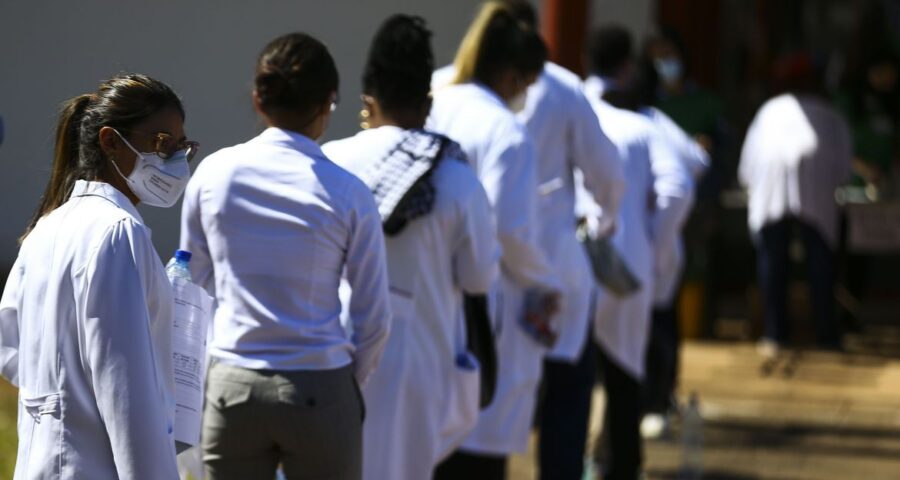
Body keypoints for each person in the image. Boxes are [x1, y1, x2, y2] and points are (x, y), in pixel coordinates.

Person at [180, 33, 391, 480]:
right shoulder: (347, 191)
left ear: (258, 98)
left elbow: (192, 282)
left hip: (232, 381)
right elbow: (374, 316)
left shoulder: (214, 173)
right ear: (327, 104)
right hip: (320, 380)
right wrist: (347, 380)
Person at [321, 15, 498, 480]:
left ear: (366, 100)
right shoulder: (457, 178)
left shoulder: (330, 162)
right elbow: (481, 276)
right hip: (418, 362)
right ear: (427, 102)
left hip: (329, 353)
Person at [0, 74, 197, 479]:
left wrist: (59, 394)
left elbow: (11, 350)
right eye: (162, 143)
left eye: (183, 147)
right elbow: (127, 394)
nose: (175, 161)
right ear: (110, 141)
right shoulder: (116, 231)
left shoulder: (46, 228)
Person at [428, 3, 563, 478]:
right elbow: (509, 231)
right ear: (511, 75)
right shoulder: (506, 132)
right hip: (482, 310)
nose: (526, 95)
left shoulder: (436, 99)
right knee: (477, 449)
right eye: (526, 85)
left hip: (424, 298)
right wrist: (548, 281)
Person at [581, 25, 692, 480]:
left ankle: (575, 462)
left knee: (571, 377)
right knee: (624, 371)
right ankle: (619, 464)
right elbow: (679, 187)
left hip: (573, 257)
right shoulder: (644, 125)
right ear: (628, 66)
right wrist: (655, 245)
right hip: (626, 260)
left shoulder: (571, 110)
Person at [739, 55, 852, 355]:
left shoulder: (769, 111)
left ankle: (776, 334)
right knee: (819, 263)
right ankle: (826, 335)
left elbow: (746, 169)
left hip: (772, 193)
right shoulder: (830, 114)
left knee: (774, 262)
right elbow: (844, 169)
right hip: (815, 193)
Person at [634, 52, 709, 439]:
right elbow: (697, 160)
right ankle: (654, 401)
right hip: (657, 240)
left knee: (655, 326)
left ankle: (657, 400)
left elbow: (691, 170)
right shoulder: (655, 122)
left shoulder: (647, 123)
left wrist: (659, 229)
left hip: (653, 240)